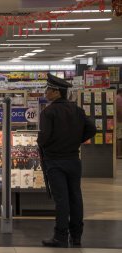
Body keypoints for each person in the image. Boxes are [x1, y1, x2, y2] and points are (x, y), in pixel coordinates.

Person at [38, 73, 96, 248]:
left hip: (55, 161)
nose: (46, 92)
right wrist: (76, 140)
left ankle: (60, 236)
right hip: (73, 159)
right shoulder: (77, 110)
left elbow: (44, 138)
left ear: (57, 92)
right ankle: (76, 236)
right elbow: (92, 129)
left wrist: (45, 145)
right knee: (75, 197)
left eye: (49, 89)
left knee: (61, 199)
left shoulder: (48, 112)